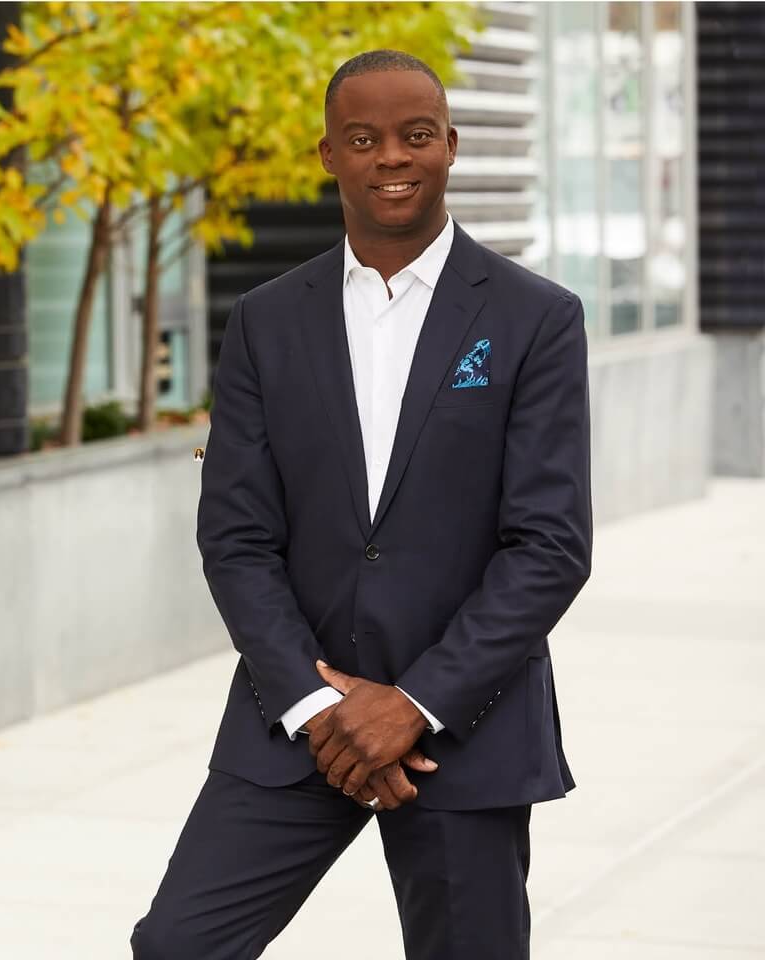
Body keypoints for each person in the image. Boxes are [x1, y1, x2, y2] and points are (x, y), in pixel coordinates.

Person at [130, 49, 592, 959]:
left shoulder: (537, 317)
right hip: (299, 720)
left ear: (451, 146)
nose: (393, 156)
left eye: (417, 135)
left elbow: (550, 546)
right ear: (327, 155)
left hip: (463, 729)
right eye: (365, 138)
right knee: (177, 945)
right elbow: (235, 533)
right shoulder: (266, 320)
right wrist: (312, 702)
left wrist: (414, 703)